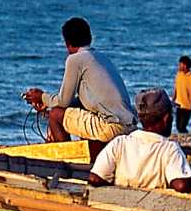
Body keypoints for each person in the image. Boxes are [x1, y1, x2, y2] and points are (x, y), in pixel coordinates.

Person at [23, 17, 136, 151]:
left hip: (111, 127)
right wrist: (48, 103)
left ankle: (66, 159)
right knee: (69, 112)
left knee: (55, 114)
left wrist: (42, 97)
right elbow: (87, 101)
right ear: (90, 38)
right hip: (129, 126)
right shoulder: (101, 57)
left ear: (67, 43)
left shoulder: (75, 59)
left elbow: (63, 102)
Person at [88, 89, 191, 192]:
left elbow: (95, 178)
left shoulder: (119, 143)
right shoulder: (169, 148)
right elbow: (181, 185)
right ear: (166, 118)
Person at [173, 56, 191, 134]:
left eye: (180, 64)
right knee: (178, 126)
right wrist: (173, 100)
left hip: (187, 105)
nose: (178, 66)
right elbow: (176, 88)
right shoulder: (178, 75)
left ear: (185, 65)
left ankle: (186, 135)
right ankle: (185, 136)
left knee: (182, 126)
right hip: (179, 104)